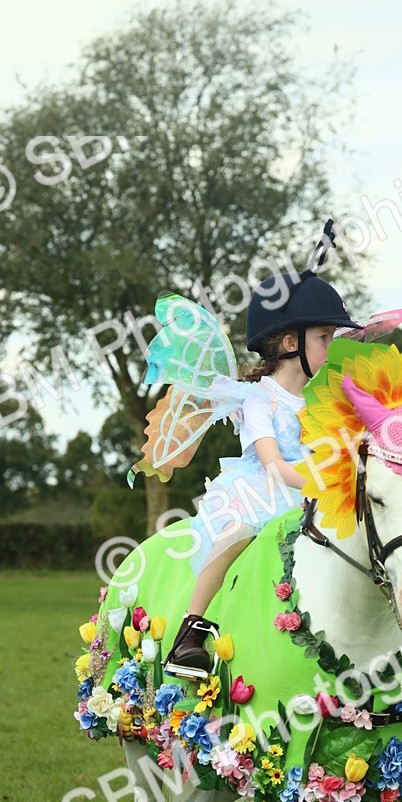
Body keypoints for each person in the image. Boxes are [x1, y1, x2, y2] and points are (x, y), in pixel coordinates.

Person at [165, 264, 362, 677]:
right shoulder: (260, 399)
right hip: (264, 490)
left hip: (314, 492)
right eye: (325, 338)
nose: (332, 347)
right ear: (291, 342)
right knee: (235, 532)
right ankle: (191, 630)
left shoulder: (327, 400)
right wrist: (321, 482)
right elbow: (273, 464)